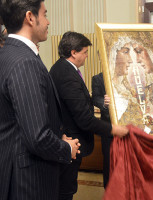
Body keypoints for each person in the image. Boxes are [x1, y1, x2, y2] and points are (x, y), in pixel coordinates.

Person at [0, 1, 80, 199]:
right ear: (30, 17)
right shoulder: (25, 61)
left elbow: (20, 120)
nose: (48, 21)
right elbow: (37, 137)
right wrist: (66, 148)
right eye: (44, 14)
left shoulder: (8, 53)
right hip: (29, 179)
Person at [49, 31, 129, 200]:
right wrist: (113, 129)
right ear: (73, 52)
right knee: (65, 189)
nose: (86, 56)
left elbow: (79, 103)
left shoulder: (64, 68)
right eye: (85, 52)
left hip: (69, 138)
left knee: (66, 186)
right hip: (71, 141)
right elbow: (84, 118)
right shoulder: (66, 74)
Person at [92, 73, 112, 188]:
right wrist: (104, 104)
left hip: (129, 129)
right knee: (109, 163)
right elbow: (95, 98)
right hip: (109, 129)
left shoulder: (130, 74)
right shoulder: (98, 78)